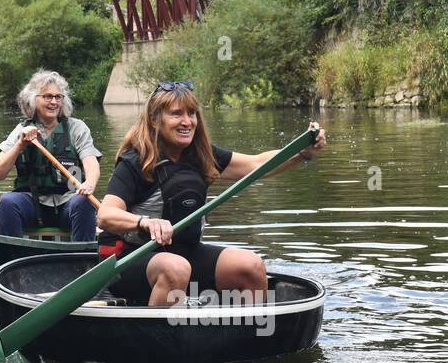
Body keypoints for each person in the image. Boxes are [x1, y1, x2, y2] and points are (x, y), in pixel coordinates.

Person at [97, 81, 328, 306]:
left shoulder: (201, 156)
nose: (187, 121)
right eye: (177, 114)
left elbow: (257, 164)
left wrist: (301, 152)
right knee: (175, 267)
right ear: (155, 120)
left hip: (185, 255)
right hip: (130, 261)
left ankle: (250, 338)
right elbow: (105, 215)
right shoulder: (135, 162)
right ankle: (162, 339)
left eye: (192, 113)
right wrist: (145, 222)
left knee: (251, 266)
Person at [0, 70, 102, 243]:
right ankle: (13, 262)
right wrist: (20, 144)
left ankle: (82, 260)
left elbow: (91, 162)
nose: (54, 102)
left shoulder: (77, 128)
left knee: (84, 201)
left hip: (69, 203)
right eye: (48, 97)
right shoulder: (22, 130)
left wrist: (90, 184)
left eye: (58, 97)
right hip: (33, 206)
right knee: (7, 202)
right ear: (34, 100)